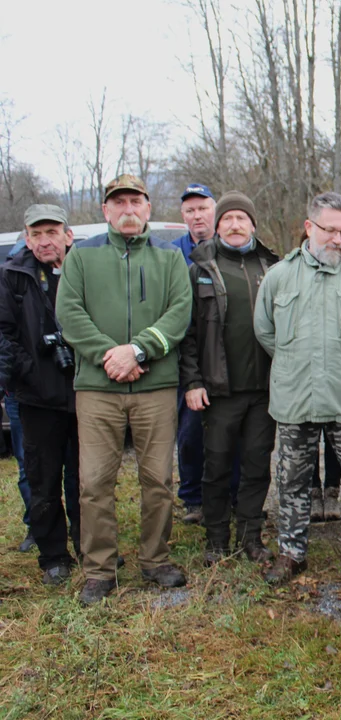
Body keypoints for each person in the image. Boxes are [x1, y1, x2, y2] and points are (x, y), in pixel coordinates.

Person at [56, 174, 193, 606]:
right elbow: (69, 314)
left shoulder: (170, 258)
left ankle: (156, 559)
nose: (128, 209)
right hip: (97, 387)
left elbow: (179, 313)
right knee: (95, 481)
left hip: (155, 386)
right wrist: (109, 355)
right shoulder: (81, 256)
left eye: (136, 201)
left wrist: (138, 349)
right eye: (119, 203)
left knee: (158, 479)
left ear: (148, 208)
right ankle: (99, 569)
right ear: (106, 211)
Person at [254, 191, 341, 587]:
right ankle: (292, 552)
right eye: (330, 230)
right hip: (294, 397)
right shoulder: (280, 276)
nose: (338, 239)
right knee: (292, 480)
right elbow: (265, 331)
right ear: (309, 228)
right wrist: (297, 361)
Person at [179, 191, 279, 566]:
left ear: (253, 224)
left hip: (264, 390)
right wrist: (192, 382)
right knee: (217, 465)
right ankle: (217, 539)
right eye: (227, 219)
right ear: (217, 225)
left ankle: (251, 536)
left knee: (256, 465)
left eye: (242, 219)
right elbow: (187, 334)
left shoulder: (272, 268)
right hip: (219, 390)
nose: (235, 225)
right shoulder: (199, 269)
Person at [0, 205, 80, 584]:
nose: (45, 240)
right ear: (27, 238)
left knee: (85, 479)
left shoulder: (84, 270)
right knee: (42, 477)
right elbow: (3, 335)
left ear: (68, 234)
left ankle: (90, 546)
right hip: (35, 397)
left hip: (85, 392)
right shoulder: (11, 277)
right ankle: (53, 556)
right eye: (37, 234)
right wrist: (30, 371)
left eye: (52, 232)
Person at [172, 184, 217, 525]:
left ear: (213, 210)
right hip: (185, 357)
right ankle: (193, 499)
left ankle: (232, 494)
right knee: (189, 434)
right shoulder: (172, 254)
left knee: (229, 431)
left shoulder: (228, 248)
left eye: (202, 208)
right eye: (190, 210)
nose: (196, 215)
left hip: (224, 356)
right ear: (183, 216)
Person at [3, 235, 34, 553]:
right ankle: (36, 526)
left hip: (66, 385)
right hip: (20, 388)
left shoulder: (67, 271)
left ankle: (78, 529)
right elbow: (4, 337)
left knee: (75, 464)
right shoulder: (8, 277)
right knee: (28, 463)